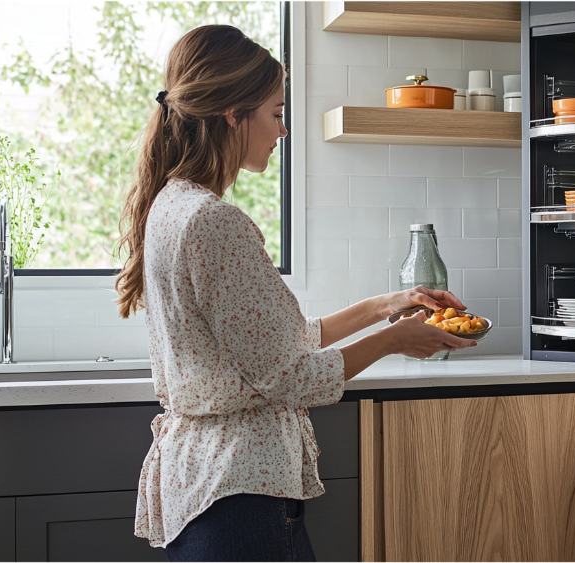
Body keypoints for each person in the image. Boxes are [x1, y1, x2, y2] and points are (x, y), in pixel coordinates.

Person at [114, 24, 475, 562]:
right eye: (276, 113)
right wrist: (395, 340)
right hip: (240, 494)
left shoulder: (172, 206)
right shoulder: (216, 224)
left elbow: (274, 346)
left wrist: (385, 307)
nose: (281, 130)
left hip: (206, 486)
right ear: (234, 114)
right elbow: (291, 378)